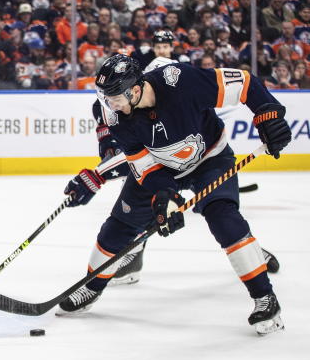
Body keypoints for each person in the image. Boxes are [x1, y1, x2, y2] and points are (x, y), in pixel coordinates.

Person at [57, 54, 291, 335]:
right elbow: (143, 166)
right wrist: (163, 195)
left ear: (135, 89)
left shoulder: (183, 81)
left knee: (224, 220)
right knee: (119, 226)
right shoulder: (116, 116)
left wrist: (267, 112)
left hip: (210, 160)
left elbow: (244, 82)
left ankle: (265, 298)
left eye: (115, 97)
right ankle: (91, 287)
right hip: (161, 167)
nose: (110, 104)